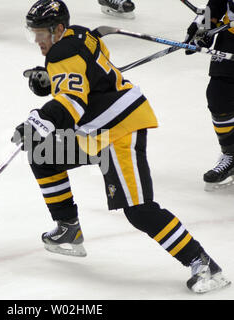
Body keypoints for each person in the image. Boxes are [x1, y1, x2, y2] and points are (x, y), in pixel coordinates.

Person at [11, 0, 230, 293]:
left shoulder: (63, 52)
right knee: (43, 156)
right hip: (96, 131)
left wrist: (39, 119)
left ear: (58, 28)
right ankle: (68, 230)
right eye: (33, 33)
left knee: (139, 210)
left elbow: (74, 102)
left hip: (119, 131)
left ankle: (203, 265)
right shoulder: (79, 35)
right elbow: (87, 75)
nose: (37, 41)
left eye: (41, 33)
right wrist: (51, 80)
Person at [185, 0, 234, 191]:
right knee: (218, 97)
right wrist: (202, 28)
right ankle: (231, 154)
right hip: (230, 40)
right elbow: (217, 3)